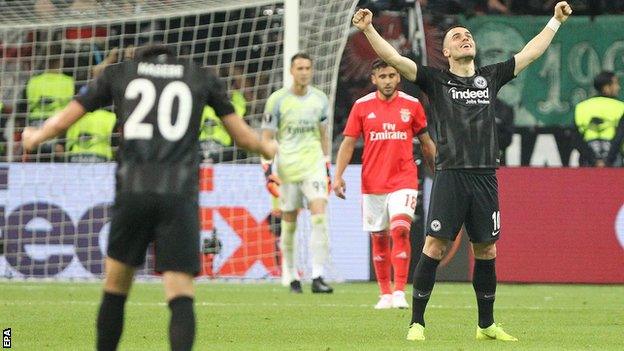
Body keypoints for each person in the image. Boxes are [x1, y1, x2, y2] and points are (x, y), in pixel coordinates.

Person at [21, 44, 277, 351]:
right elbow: (243, 137)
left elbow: (64, 121)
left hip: (133, 190)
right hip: (179, 194)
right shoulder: (199, 76)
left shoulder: (120, 73)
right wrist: (269, 149)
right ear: (175, 54)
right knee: (180, 291)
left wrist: (35, 136)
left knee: (115, 288)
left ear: (139, 56)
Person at [352, 1, 573, 341]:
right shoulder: (435, 80)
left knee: (487, 250)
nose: (464, 37)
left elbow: (530, 53)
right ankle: (417, 323)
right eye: (457, 36)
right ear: (446, 50)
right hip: (451, 174)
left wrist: (556, 21)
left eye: (468, 35)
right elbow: (396, 60)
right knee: (434, 247)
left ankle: (486, 326)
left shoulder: (491, 77)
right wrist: (368, 29)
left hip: (486, 176)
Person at [333, 59, 436, 309]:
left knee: (400, 230)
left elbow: (425, 141)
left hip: (404, 179)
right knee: (379, 238)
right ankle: (384, 293)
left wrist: (439, 173)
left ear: (398, 77)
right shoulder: (361, 107)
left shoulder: (412, 105)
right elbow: (348, 143)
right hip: (372, 182)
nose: (388, 81)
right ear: (373, 79)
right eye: (382, 76)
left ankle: (400, 290)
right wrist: (338, 176)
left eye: (392, 75)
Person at [261, 52, 333, 294]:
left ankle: (317, 276)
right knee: (289, 224)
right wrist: (268, 169)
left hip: (313, 165)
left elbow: (323, 135)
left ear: (311, 71)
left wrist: (326, 164)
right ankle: (291, 275)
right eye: (299, 68)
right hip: (288, 169)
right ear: (291, 71)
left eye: (307, 68)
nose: (304, 72)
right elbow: (268, 138)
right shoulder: (277, 100)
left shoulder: (320, 99)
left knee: (320, 217)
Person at [574, 71, 624, 167]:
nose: (618, 87)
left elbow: (576, 138)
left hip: (588, 159)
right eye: (615, 84)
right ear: (606, 88)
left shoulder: (581, 107)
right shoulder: (621, 107)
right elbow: (619, 136)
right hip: (613, 159)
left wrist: (594, 160)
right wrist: (607, 161)